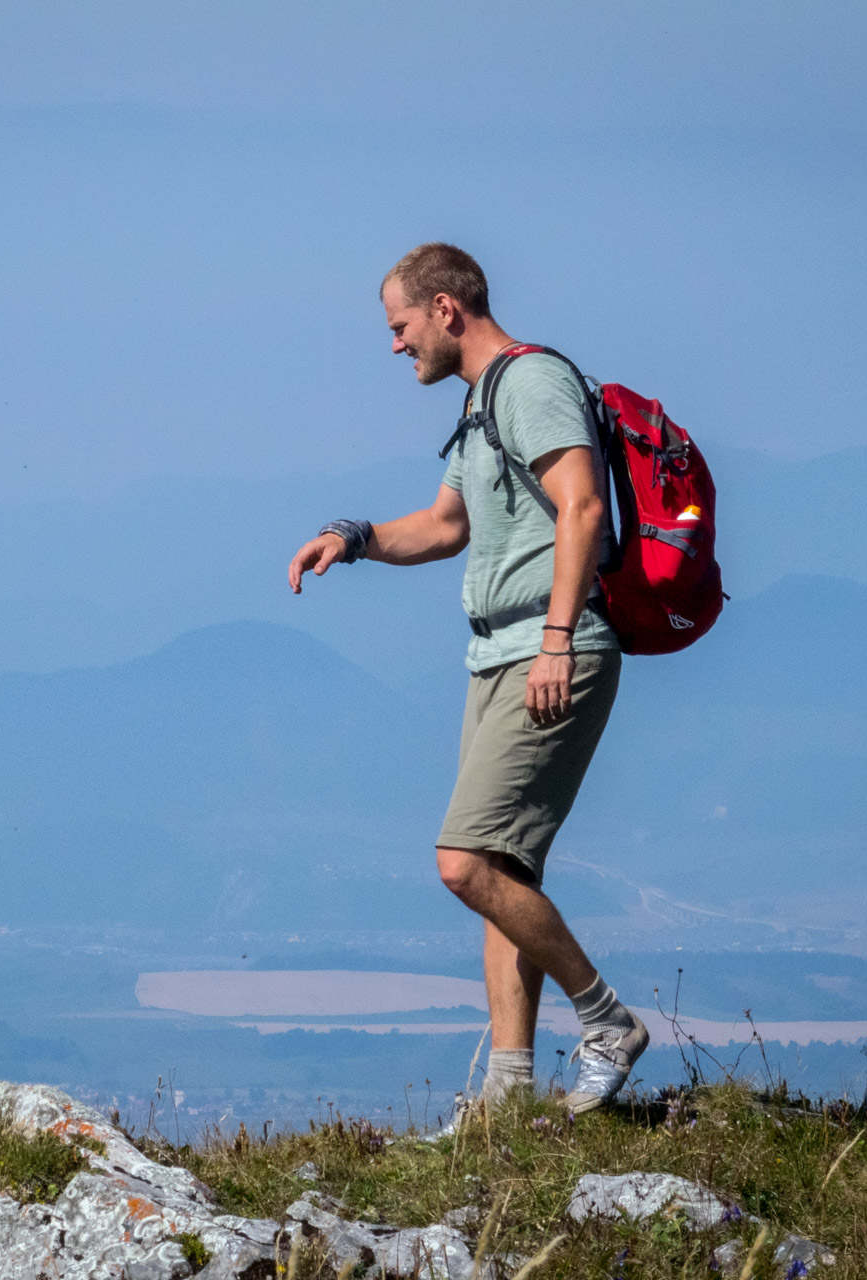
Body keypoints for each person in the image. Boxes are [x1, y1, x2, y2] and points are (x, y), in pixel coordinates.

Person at [287, 243, 648, 1115]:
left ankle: (607, 1022)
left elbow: (583, 505)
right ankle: (507, 1097)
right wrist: (356, 536)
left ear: (446, 310)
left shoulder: (530, 385)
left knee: (460, 864)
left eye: (400, 325)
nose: (396, 345)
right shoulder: (484, 404)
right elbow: (447, 524)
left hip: (547, 648)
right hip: (496, 656)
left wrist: (558, 639)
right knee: (498, 870)